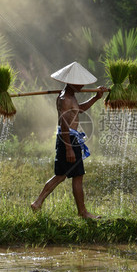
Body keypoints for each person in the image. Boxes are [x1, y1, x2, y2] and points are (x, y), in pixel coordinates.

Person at [31, 62, 107, 219]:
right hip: (68, 139)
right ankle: (83, 212)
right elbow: (64, 122)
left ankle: (38, 203)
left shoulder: (70, 96)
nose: (83, 85)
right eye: (79, 83)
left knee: (61, 175)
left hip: (69, 138)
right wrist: (69, 148)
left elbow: (79, 110)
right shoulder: (65, 98)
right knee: (76, 176)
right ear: (71, 82)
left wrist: (96, 97)